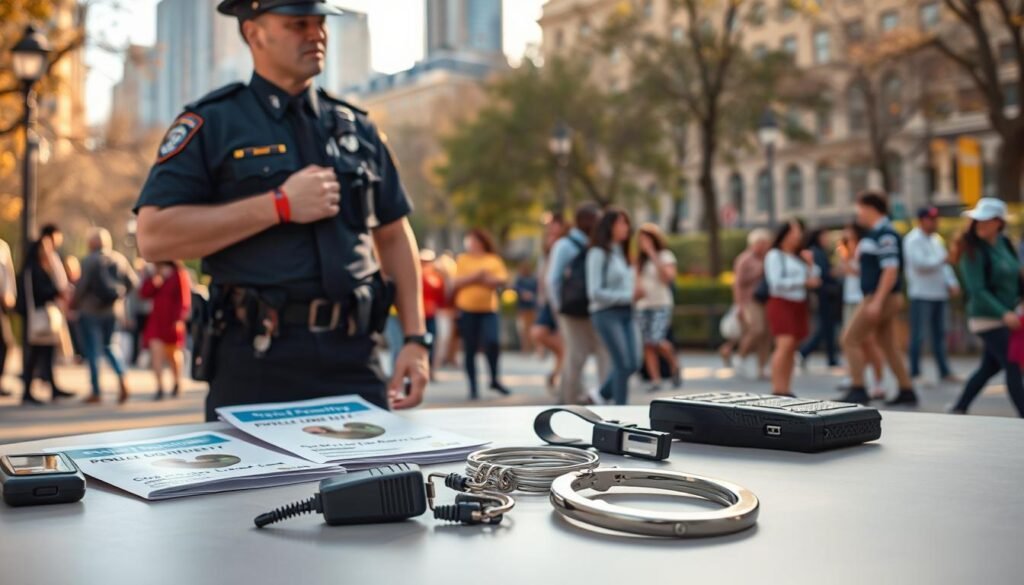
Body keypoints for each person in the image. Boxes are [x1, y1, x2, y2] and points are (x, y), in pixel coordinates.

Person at [133, 0, 429, 420]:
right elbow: (153, 236)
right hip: (256, 359)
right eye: (298, 24)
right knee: (253, 468)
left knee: (376, 465)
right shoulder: (213, 123)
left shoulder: (356, 127)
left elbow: (394, 234)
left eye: (320, 22)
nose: (316, 34)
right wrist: (279, 205)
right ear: (253, 33)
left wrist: (416, 340)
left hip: (354, 355)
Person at [840, 191, 917, 406]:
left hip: (880, 296)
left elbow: (890, 270)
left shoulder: (885, 234)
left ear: (871, 209)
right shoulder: (876, 233)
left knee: (850, 339)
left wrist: (877, 301)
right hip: (882, 296)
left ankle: (858, 388)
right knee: (888, 345)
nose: (859, 214)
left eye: (860, 209)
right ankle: (906, 389)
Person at [950, 198, 1024, 416]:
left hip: (1008, 315)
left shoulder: (1004, 243)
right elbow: (977, 290)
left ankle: (959, 407)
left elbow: (1015, 276)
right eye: (978, 219)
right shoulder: (972, 250)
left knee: (989, 367)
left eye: (986, 220)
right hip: (987, 318)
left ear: (999, 222)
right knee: (1012, 364)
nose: (980, 224)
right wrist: (1003, 313)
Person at [547, 203, 610, 404]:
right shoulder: (565, 245)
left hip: (591, 308)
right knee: (577, 355)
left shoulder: (594, 244)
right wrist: (559, 309)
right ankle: (568, 399)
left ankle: (600, 396)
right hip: (574, 311)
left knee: (595, 352)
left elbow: (553, 281)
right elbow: (553, 280)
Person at [73, 228, 138, 404]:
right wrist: (119, 296)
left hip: (90, 310)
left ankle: (96, 391)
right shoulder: (119, 258)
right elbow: (133, 282)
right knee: (110, 346)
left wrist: (74, 304)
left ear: (92, 243)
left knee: (92, 351)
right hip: (113, 311)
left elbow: (82, 287)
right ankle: (122, 376)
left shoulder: (89, 260)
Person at [586, 207, 640, 405]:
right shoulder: (598, 253)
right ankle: (620, 409)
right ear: (609, 226)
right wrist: (628, 296)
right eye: (621, 223)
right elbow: (594, 292)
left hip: (627, 312)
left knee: (634, 363)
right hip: (606, 313)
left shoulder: (622, 253)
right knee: (622, 363)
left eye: (627, 223)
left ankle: (600, 395)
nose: (626, 227)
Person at [903, 206, 960, 384]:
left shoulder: (936, 239)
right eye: (931, 219)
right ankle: (915, 372)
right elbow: (920, 264)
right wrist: (942, 260)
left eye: (936, 219)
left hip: (939, 293)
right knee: (918, 335)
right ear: (921, 221)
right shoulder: (912, 240)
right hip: (921, 293)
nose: (935, 223)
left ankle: (944, 371)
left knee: (940, 334)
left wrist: (952, 282)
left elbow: (945, 266)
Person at [17, 227, 74, 405]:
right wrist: (56, 292)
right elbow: (39, 291)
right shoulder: (33, 268)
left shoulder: (42, 266)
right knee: (34, 354)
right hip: (37, 315)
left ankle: (52, 387)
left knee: (46, 353)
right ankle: (28, 390)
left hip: (43, 314)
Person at [764, 220, 821, 397]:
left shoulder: (798, 256)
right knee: (784, 344)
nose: (797, 237)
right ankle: (777, 388)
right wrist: (802, 282)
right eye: (794, 232)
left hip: (799, 303)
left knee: (792, 347)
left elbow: (815, 277)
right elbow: (775, 282)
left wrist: (810, 264)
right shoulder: (775, 255)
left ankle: (786, 388)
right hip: (782, 302)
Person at [452, 228, 510, 399]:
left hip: (488, 309)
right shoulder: (463, 259)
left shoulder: (493, 259)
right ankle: (473, 386)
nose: (471, 244)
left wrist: (482, 278)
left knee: (492, 342)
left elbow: (501, 280)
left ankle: (494, 379)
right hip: (467, 309)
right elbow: (456, 282)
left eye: (474, 241)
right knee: (470, 348)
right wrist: (478, 276)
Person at [838, 224, 886, 398]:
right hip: (850, 299)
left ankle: (876, 382)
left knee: (867, 342)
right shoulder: (850, 251)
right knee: (853, 341)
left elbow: (862, 272)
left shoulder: (865, 247)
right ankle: (855, 377)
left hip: (862, 299)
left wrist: (847, 263)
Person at [634, 223, 681, 392]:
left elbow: (667, 278)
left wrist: (652, 254)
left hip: (661, 303)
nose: (643, 243)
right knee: (647, 343)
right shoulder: (638, 261)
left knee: (657, 339)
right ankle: (655, 380)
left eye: (647, 239)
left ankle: (674, 365)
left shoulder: (665, 256)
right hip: (643, 305)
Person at [140, 262, 192, 399]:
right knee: (156, 352)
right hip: (157, 320)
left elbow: (184, 297)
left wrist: (179, 317)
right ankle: (159, 387)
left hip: (172, 320)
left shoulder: (178, 273)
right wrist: (155, 279)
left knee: (173, 355)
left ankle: (176, 382)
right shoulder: (154, 274)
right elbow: (144, 293)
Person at [530, 214, 566, 391]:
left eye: (553, 225)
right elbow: (542, 277)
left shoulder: (565, 246)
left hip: (561, 300)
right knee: (538, 333)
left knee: (562, 341)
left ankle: (558, 374)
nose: (550, 228)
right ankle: (561, 366)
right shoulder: (546, 248)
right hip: (547, 301)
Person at [730, 229, 772, 379]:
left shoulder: (769, 257)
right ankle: (740, 356)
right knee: (757, 329)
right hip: (750, 300)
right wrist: (739, 305)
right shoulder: (745, 259)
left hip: (766, 299)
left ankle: (762, 366)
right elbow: (737, 283)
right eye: (761, 243)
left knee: (767, 334)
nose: (764, 246)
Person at [798, 228, 842, 369]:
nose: (827, 240)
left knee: (827, 328)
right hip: (824, 295)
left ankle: (830, 358)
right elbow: (820, 274)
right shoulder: (816, 252)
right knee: (825, 327)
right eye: (825, 237)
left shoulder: (821, 252)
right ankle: (804, 352)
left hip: (827, 294)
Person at [420, 249, 444, 374]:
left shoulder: (436, 278)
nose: (426, 264)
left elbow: (440, 297)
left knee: (431, 341)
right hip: (419, 316)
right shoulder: (417, 276)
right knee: (420, 342)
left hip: (431, 315)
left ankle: (430, 368)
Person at [0, 238, 15, 397]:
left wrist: (10, 292)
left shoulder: (2, 246)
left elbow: (8, 273)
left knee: (5, 343)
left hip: (1, 303)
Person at [512, 260, 538, 353]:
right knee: (523, 329)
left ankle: (533, 348)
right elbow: (515, 288)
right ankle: (525, 348)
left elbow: (537, 289)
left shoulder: (533, 278)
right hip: (522, 307)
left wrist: (532, 295)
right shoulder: (519, 279)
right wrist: (523, 293)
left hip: (532, 306)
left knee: (532, 327)